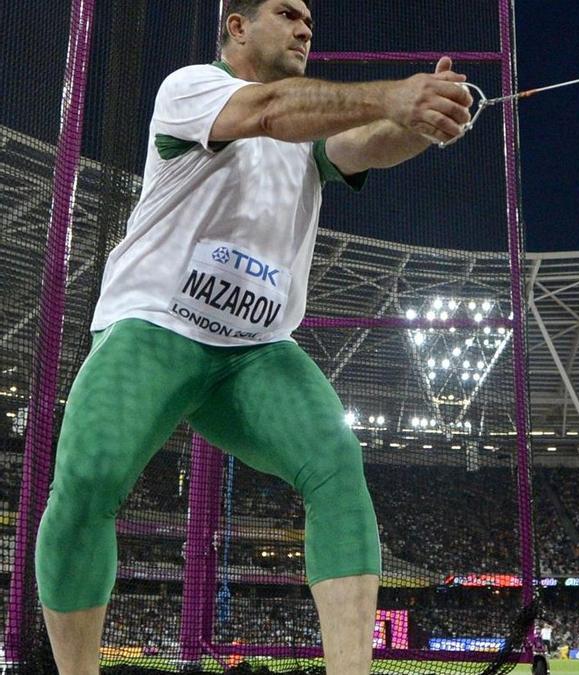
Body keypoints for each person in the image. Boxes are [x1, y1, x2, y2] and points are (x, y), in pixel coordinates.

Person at [32, 1, 473, 673]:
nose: (305, 28)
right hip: (154, 328)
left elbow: (366, 144)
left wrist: (421, 120)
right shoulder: (191, 88)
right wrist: (392, 92)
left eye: (311, 23)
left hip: (255, 351)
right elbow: (269, 111)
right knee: (86, 478)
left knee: (335, 462)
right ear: (237, 26)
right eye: (288, 13)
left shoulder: (307, 134)